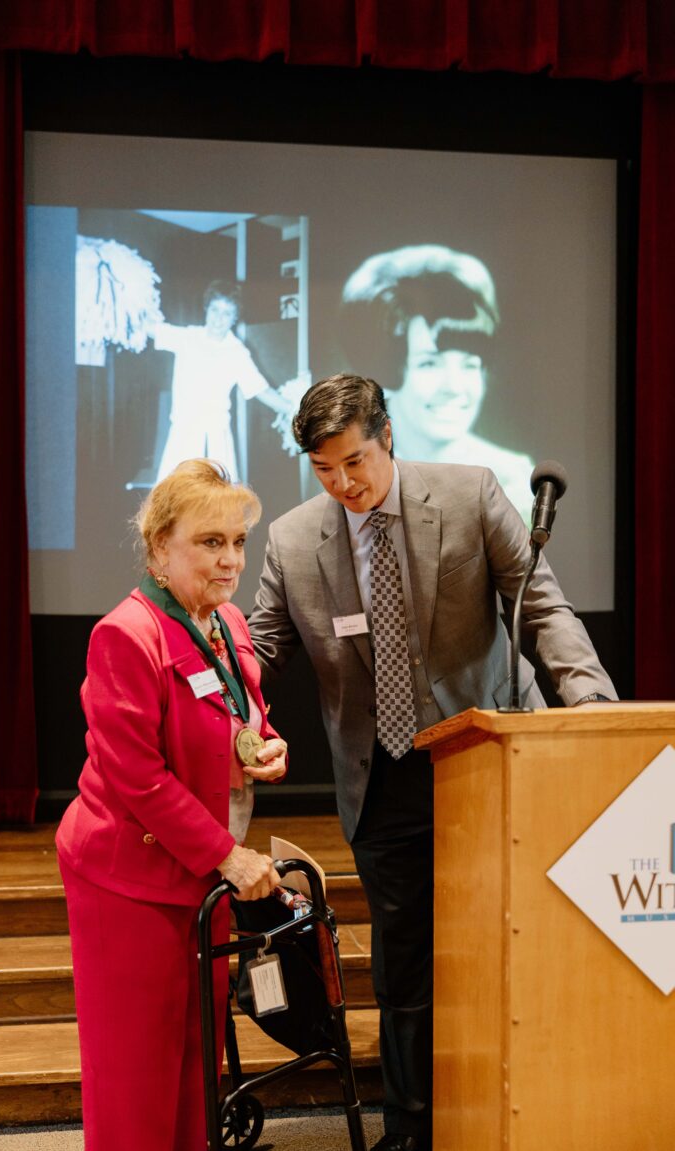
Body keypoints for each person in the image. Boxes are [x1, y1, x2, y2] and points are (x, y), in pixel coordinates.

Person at [248, 373, 616, 1151]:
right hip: (380, 777)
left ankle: (520, 1111)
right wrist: (232, 718)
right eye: (324, 469)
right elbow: (262, 651)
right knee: (405, 963)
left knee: (510, 943)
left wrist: (589, 707)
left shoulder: (469, 493)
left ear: (387, 435)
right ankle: (410, 1129)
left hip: (484, 759)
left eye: (355, 461)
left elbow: (542, 607)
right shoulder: (293, 540)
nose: (344, 484)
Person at [56, 459, 288, 1151]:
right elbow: (138, 776)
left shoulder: (226, 621)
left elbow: (242, 713)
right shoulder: (125, 634)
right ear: (160, 546)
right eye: (210, 542)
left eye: (238, 541)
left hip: (201, 873)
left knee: (195, 1061)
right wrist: (228, 856)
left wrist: (267, 745)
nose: (231, 559)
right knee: (136, 1070)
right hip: (128, 877)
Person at [340, 245, 535, 523]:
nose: (454, 387)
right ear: (387, 369)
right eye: (429, 364)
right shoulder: (346, 472)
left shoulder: (512, 481)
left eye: (470, 365)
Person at [150, 279, 293, 482]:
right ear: (206, 309)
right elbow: (148, 328)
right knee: (176, 498)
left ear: (234, 318)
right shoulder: (187, 338)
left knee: (219, 498)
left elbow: (262, 390)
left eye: (227, 313)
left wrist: (295, 408)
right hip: (182, 439)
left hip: (218, 442)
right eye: (215, 310)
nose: (219, 319)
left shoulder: (237, 352)